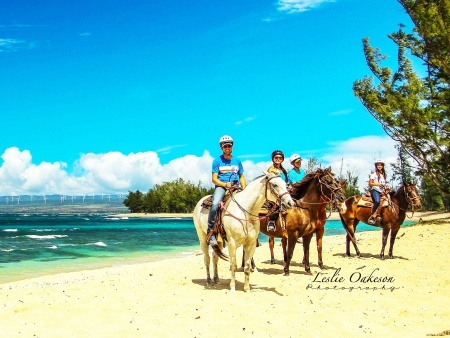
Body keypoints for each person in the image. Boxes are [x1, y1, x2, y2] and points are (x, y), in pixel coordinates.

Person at [207, 135, 246, 247]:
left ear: (232, 146)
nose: (227, 148)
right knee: (215, 204)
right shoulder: (217, 161)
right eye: (225, 146)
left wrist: (244, 188)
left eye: (229, 145)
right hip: (222, 186)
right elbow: (214, 179)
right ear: (221, 147)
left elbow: (242, 176)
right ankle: (211, 232)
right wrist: (224, 184)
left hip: (236, 186)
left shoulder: (237, 160)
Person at [266, 150, 289, 231]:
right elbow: (270, 182)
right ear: (273, 159)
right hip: (275, 192)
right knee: (276, 205)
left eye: (280, 158)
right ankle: (271, 222)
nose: (278, 159)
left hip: (283, 190)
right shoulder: (271, 170)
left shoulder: (284, 171)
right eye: (276, 157)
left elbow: (286, 181)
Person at [368, 159, 387, 225]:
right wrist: (378, 184)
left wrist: (386, 187)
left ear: (382, 166)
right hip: (375, 190)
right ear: (376, 166)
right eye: (378, 165)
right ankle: (372, 216)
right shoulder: (373, 174)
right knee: (377, 201)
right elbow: (370, 184)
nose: (379, 166)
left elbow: (383, 184)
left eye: (381, 165)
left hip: (382, 191)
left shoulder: (382, 176)